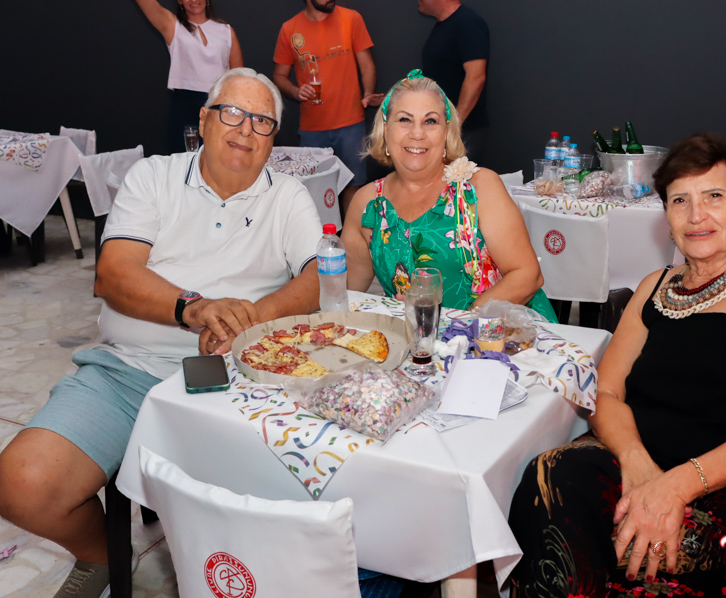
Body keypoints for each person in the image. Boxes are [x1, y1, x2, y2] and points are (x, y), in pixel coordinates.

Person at [0, 68, 323, 598]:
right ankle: (103, 554)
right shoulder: (153, 176)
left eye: (262, 121)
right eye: (232, 113)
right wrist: (194, 309)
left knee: (280, 506)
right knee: (23, 484)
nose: (245, 129)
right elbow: (113, 274)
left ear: (274, 138)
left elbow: (318, 276)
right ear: (204, 119)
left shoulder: (287, 195)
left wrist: (249, 319)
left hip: (240, 381)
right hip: (130, 371)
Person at [507, 133, 726, 597]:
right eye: (680, 200)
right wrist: (638, 464)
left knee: (599, 540)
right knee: (551, 478)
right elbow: (606, 393)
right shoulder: (654, 286)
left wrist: (677, 487)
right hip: (646, 472)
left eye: (714, 196)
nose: (696, 215)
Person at [343, 70, 556, 322]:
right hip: (418, 338)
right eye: (405, 119)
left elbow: (527, 275)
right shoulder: (367, 203)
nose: (417, 133)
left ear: (446, 133)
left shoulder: (479, 188)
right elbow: (346, 290)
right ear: (385, 129)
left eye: (430, 121)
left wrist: (460, 323)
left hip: (505, 333)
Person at [273, 0, 384, 216]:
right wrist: (296, 91)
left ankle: (352, 236)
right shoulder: (289, 29)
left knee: (354, 186)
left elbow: (367, 65)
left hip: (351, 123)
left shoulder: (351, 19)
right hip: (312, 128)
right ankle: (316, 237)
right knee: (312, 190)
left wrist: (368, 93)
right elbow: (279, 75)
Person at [135, 0, 243, 154]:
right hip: (185, 109)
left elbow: (239, 80)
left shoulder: (226, 31)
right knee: (184, 162)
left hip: (219, 110)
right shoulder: (172, 26)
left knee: (220, 160)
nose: (193, 0)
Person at [419, 0, 489, 165]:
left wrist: (455, 124)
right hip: (440, 128)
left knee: (455, 181)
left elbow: (476, 77)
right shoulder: (443, 25)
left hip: (463, 131)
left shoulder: (468, 23)